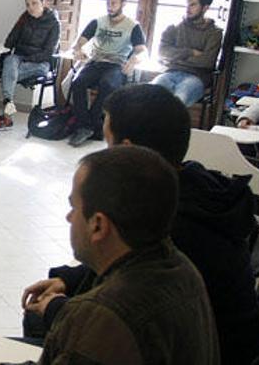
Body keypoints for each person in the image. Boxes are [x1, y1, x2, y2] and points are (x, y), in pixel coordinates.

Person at [23, 84, 259, 364]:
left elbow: (113, 319)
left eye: (106, 143)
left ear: (128, 152)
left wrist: (58, 308)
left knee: (37, 319)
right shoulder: (194, 192)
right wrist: (70, 278)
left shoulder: (180, 229)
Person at [31, 146, 220, 364]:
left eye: (74, 207)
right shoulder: (181, 268)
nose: (69, 217)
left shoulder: (104, 316)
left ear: (98, 226)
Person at [66, 0, 146, 146]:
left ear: (123, 3)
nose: (110, 6)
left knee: (108, 84)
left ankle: (88, 125)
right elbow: (79, 42)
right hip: (96, 62)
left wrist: (134, 60)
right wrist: (78, 50)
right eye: (108, 2)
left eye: (114, 3)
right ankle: (88, 126)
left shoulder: (132, 26)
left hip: (116, 65)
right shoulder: (98, 22)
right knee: (77, 82)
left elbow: (142, 51)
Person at [0, 0, 60, 131]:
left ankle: (6, 116)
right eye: (27, 5)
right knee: (9, 61)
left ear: (43, 3)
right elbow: (9, 43)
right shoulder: (25, 18)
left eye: (34, 3)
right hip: (20, 58)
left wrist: (29, 59)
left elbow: (48, 53)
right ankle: (9, 102)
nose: (30, 7)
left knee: (9, 73)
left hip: (41, 63)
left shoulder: (54, 23)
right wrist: (20, 23)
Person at [152, 0, 223, 106]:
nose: (188, 9)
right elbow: (162, 52)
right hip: (170, 72)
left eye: (193, 5)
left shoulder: (214, 33)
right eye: (187, 4)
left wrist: (176, 56)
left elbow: (207, 62)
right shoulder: (174, 27)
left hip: (197, 77)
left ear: (205, 8)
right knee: (151, 94)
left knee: (179, 100)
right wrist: (191, 52)